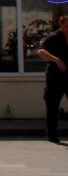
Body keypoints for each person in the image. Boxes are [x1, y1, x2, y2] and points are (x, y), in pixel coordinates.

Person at [36, 12, 68, 143]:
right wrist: (56, 59)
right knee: (52, 105)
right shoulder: (54, 37)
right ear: (61, 25)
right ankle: (52, 134)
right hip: (55, 77)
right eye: (66, 26)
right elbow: (40, 51)